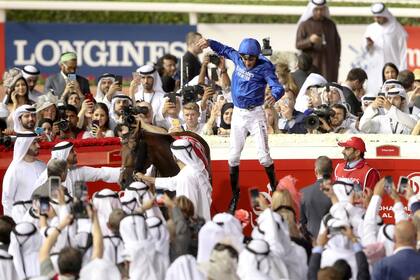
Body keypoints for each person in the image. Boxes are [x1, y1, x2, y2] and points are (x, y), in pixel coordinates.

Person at [196, 36, 284, 212]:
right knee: (233, 158)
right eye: (245, 57)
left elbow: (277, 86)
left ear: (257, 56)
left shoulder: (264, 67)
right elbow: (225, 49)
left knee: (264, 157)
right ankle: (235, 193)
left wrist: (275, 95)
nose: (248, 61)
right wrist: (209, 42)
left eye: (251, 58)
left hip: (255, 114)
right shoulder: (238, 57)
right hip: (238, 113)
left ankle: (275, 189)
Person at [135, 138, 212, 221]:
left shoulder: (186, 177)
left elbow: (186, 209)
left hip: (192, 225)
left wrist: (170, 203)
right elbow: (172, 182)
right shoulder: (194, 169)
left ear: (175, 156)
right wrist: (144, 177)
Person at [34, 141, 121, 195]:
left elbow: (101, 173)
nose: (75, 153)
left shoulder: (78, 171)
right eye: (71, 151)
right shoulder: (45, 177)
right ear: (63, 155)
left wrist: (125, 173)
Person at [364, 3, 408, 95]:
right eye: (375, 17)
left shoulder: (396, 28)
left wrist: (402, 70)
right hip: (375, 70)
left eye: (379, 17)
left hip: (392, 68)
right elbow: (365, 50)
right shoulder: (371, 28)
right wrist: (368, 45)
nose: (377, 19)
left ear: (385, 15)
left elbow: (403, 51)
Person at [2, 132, 46, 217]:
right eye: (34, 143)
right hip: (22, 221)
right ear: (24, 145)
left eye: (37, 142)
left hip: (42, 218)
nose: (38, 146)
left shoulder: (43, 165)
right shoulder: (14, 170)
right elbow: (7, 200)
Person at [296, 0, 341, 82]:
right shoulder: (304, 25)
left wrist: (337, 61)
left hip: (329, 65)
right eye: (316, 10)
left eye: (321, 9)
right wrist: (309, 40)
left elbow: (337, 43)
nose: (319, 12)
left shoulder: (331, 24)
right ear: (312, 10)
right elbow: (298, 44)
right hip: (312, 65)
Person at [300, 156, 333, 239]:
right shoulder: (338, 191)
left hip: (312, 238)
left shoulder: (304, 192)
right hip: (333, 238)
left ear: (316, 171)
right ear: (332, 171)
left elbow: (301, 222)